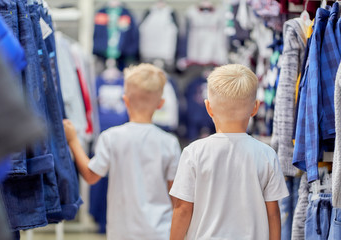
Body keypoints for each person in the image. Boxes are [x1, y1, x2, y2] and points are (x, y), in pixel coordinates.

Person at [169, 64, 289, 240]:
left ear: (208, 108)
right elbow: (273, 213)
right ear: (255, 108)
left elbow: (183, 208)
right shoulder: (267, 155)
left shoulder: (194, 152)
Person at [63, 63, 181, 240]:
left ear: (125, 100)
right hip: (160, 231)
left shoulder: (111, 137)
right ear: (160, 104)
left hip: (121, 232)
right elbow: (176, 196)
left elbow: (90, 175)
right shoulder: (170, 142)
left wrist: (73, 141)